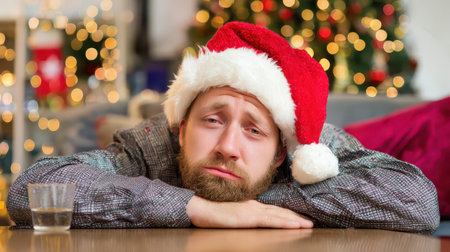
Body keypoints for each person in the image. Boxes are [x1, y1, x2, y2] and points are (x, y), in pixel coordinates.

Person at [7, 22, 439, 233]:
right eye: (212, 120)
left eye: (254, 130)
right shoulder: (152, 144)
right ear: (180, 129)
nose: (228, 146)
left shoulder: (313, 148)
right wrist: (197, 207)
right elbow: (31, 188)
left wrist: (256, 202)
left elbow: (418, 201)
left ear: (282, 153)